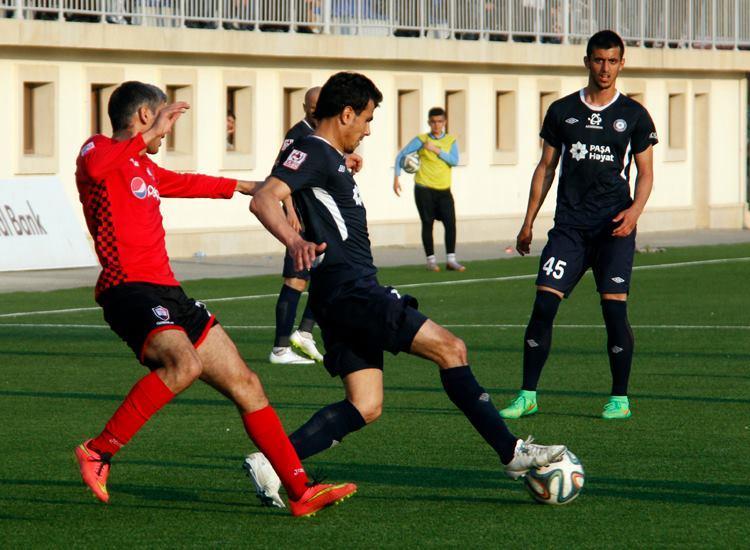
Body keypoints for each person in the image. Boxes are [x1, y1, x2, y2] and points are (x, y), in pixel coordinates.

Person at [244, 71, 566, 507]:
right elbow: (264, 197)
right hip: (352, 290)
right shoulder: (315, 150)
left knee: (366, 404)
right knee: (451, 349)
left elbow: (287, 186)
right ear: (346, 114)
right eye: (367, 119)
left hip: (339, 293)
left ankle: (271, 462)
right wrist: (294, 240)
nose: (368, 130)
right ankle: (512, 453)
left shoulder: (324, 154)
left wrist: (338, 168)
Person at [73, 81, 356, 516]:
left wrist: (251, 186)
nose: (167, 132)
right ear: (145, 116)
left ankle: (301, 491)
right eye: (163, 119)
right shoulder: (97, 150)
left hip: (169, 292)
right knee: (184, 365)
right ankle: (99, 450)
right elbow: (95, 170)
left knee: (248, 385)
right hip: (127, 289)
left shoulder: (142, 166)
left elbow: (188, 182)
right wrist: (147, 137)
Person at [499, 30, 657, 421]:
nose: (605, 68)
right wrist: (528, 222)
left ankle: (619, 398)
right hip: (569, 228)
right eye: (599, 60)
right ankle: (527, 395)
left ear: (622, 64)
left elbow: (645, 172)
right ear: (587, 61)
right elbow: (546, 167)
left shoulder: (634, 115)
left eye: (612, 61)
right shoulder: (562, 111)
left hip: (614, 228)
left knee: (614, 311)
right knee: (543, 304)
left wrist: (635, 212)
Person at [393, 107, 464, 272]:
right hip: (423, 188)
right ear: (429, 123)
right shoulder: (421, 140)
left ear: (445, 122)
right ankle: (431, 261)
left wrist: (436, 150)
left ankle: (451, 260)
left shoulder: (451, 141)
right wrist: (396, 177)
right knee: (427, 223)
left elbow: (454, 161)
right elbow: (401, 156)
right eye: (433, 122)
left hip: (444, 190)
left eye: (440, 121)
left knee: (450, 223)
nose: (436, 125)